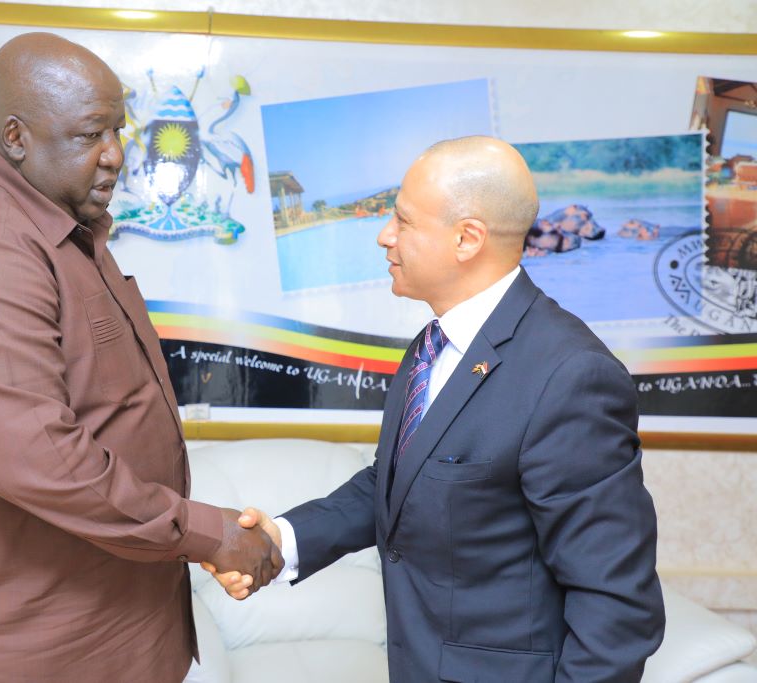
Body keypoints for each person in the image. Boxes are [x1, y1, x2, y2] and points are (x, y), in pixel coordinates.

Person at [0, 33, 281, 682]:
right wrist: (211, 532)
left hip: (105, 620)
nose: (115, 156)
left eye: (118, 129)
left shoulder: (50, 214)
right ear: (16, 136)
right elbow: (37, 459)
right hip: (14, 641)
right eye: (90, 136)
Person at [206, 136, 665, 682]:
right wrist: (281, 539)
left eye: (402, 221)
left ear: (467, 239)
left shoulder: (570, 376)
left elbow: (615, 604)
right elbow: (399, 482)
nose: (384, 237)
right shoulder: (434, 345)